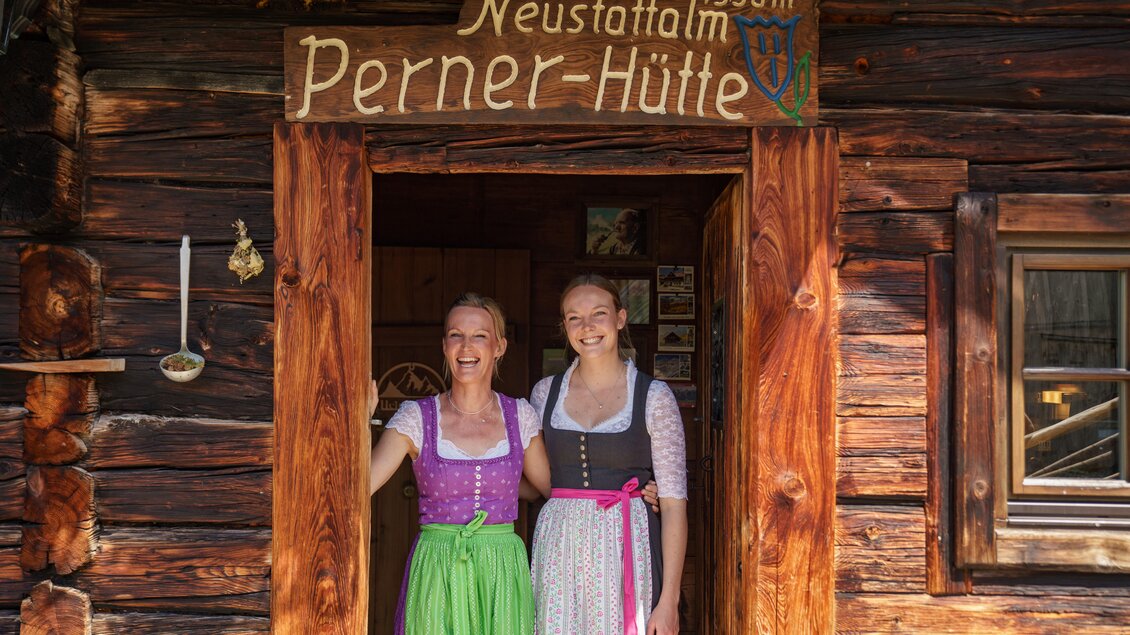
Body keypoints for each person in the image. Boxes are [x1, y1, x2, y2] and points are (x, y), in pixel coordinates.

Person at [369, 292, 552, 635]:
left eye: (479, 335)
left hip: (502, 570)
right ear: (444, 346)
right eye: (456, 335)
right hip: (438, 566)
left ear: (499, 347)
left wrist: (635, 492)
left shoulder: (520, 416)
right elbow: (359, 486)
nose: (466, 346)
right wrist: (357, 420)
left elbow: (551, 490)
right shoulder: (417, 418)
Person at [530, 274, 688, 635]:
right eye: (574, 317)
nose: (587, 326)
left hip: (627, 548)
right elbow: (530, 477)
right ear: (565, 327)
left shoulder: (654, 397)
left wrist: (670, 601)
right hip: (560, 549)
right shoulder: (544, 394)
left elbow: (674, 506)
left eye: (598, 313)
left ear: (620, 318)